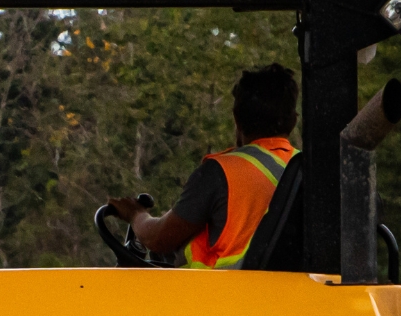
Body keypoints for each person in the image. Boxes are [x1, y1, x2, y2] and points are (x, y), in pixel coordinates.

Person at [109, 64, 300, 268]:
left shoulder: (219, 173)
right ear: (293, 121)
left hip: (220, 296)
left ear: (237, 118)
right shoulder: (306, 173)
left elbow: (160, 238)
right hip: (292, 295)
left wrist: (136, 215)